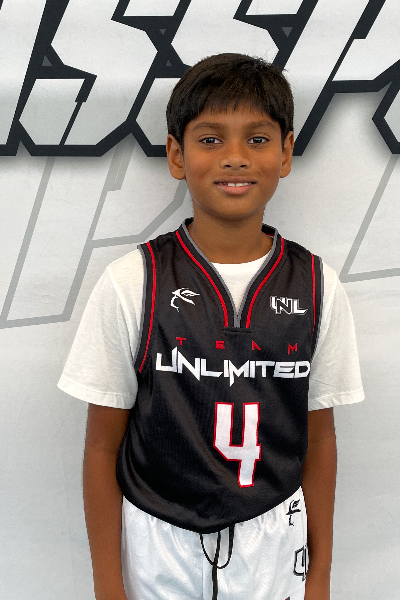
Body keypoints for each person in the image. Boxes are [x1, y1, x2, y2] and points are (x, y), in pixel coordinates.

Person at [58, 53, 364, 600]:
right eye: (210, 139)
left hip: (275, 533)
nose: (235, 157)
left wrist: (319, 576)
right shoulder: (133, 281)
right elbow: (102, 446)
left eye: (257, 139)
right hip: (157, 532)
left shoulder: (319, 286)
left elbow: (320, 439)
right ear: (176, 154)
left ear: (286, 152)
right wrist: (108, 584)